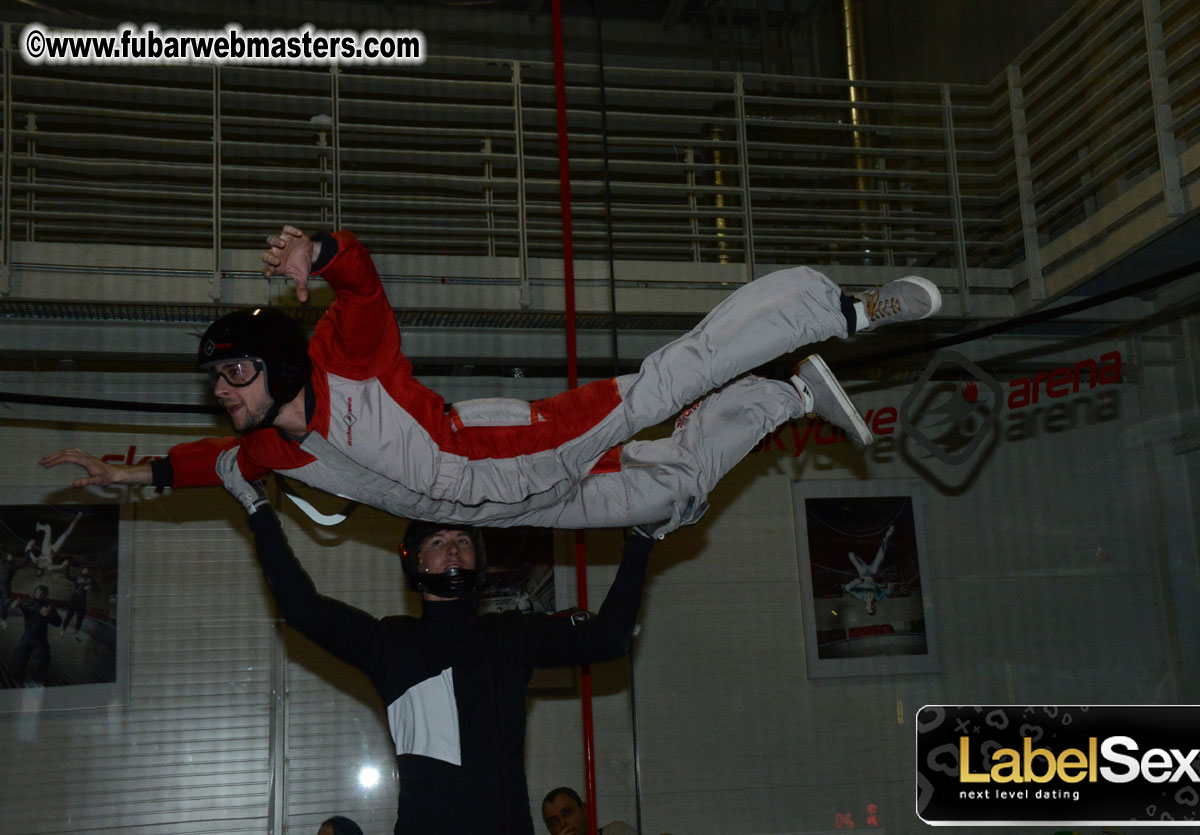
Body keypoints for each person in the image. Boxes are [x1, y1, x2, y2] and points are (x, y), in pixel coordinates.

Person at [42, 226, 941, 536]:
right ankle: (789, 395)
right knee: (670, 495)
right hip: (500, 512)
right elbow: (204, 464)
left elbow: (360, 281)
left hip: (510, 445)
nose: (223, 392)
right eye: (217, 382)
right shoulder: (271, 447)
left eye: (232, 373)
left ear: (275, 360)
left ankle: (843, 309)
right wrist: (136, 476)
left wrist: (319, 249)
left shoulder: (345, 357)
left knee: (671, 379)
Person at [219, 468, 653, 834]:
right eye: (438, 541)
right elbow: (303, 609)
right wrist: (259, 511)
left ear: (477, 559)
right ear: (417, 561)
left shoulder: (513, 635)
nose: (452, 549)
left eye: (462, 541)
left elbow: (609, 640)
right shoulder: (391, 644)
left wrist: (641, 541)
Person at [12, 584, 61, 685]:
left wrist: (48, 615)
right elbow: (22, 605)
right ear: (34, 592)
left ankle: (37, 681)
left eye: (43, 593)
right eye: (38, 592)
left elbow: (58, 622)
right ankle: (16, 681)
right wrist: (14, 604)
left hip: (41, 640)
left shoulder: (49, 606)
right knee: (19, 660)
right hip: (27, 637)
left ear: (46, 595)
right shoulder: (28, 602)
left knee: (43, 660)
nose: (39, 594)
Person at [540, 787, 637, 835]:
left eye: (566, 813)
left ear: (585, 810)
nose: (563, 824)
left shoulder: (616, 831)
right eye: (554, 822)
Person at [844, 524, 894, 615]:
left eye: (868, 608)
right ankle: (887, 536)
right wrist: (890, 586)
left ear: (866, 607)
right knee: (881, 555)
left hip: (862, 572)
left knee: (851, 554)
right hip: (872, 572)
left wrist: (861, 580)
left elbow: (847, 588)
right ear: (875, 607)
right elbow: (887, 592)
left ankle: (857, 539)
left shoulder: (861, 596)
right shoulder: (878, 598)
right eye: (872, 608)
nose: (870, 606)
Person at [61, 565, 99, 637]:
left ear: (89, 572)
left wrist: (91, 587)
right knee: (69, 616)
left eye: (87, 570)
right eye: (84, 570)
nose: (85, 571)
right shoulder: (78, 577)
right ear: (82, 571)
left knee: (80, 617)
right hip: (74, 600)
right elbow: (68, 576)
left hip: (82, 601)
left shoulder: (91, 580)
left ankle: (76, 630)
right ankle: (63, 629)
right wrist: (67, 567)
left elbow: (97, 589)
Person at [0, 552, 19, 626]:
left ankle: (2, 619)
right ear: (7, 556)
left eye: (12, 557)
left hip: (6, 587)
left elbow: (24, 562)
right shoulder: (1, 562)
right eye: (10, 556)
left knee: (4, 603)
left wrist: (28, 552)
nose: (11, 558)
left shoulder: (13, 566)